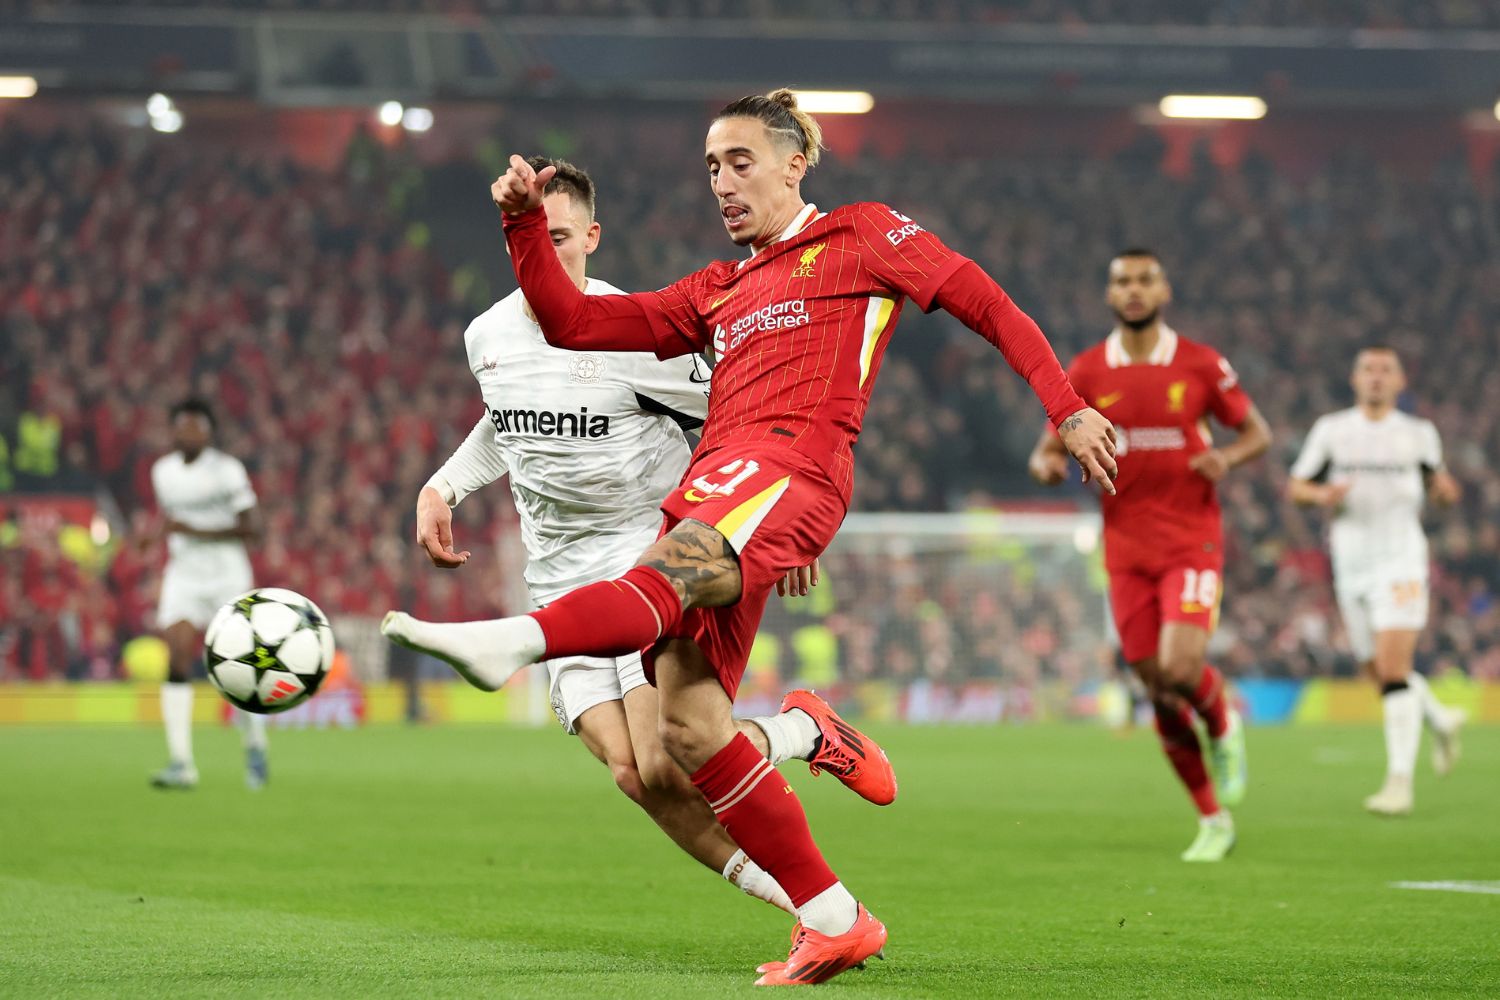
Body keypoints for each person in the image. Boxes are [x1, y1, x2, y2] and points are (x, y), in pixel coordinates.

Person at [383, 88, 1114, 986]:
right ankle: (833, 908)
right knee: (687, 733)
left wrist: (1067, 407)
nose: (722, 184)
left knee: (664, 580)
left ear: (794, 163)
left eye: (739, 163)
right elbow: (573, 324)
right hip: (718, 486)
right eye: (710, 168)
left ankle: (509, 643)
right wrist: (526, 228)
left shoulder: (861, 235)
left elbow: (985, 302)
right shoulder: (717, 288)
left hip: (789, 468)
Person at [400, 156, 892, 919]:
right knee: (634, 776)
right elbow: (509, 422)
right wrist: (445, 485)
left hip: (647, 559)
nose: (548, 251)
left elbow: (742, 418)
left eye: (562, 235)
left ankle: (802, 742)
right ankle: (808, 902)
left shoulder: (628, 334)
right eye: (534, 235)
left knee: (671, 759)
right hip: (556, 573)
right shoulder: (486, 335)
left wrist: (772, 527)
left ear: (592, 238)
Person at [1029, 249, 1270, 862]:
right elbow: (1048, 449)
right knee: (1158, 688)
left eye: (1143, 280)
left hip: (1192, 539)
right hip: (1126, 549)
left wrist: (1227, 459)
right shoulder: (1085, 369)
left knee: (1181, 666)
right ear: (1110, 295)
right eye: (1122, 282)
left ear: (1163, 289)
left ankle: (1222, 724)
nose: (1133, 291)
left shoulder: (1200, 363)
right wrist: (1049, 466)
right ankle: (1212, 818)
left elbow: (1257, 434)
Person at [1288, 346, 1465, 816]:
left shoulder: (1418, 434)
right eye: (1368, 369)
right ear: (1354, 378)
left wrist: (1446, 494)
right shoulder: (1333, 430)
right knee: (1377, 674)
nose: (1377, 377)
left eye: (1387, 370)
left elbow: (1439, 487)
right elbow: (1296, 487)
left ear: (1400, 382)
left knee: (1391, 668)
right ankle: (1440, 719)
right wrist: (1323, 493)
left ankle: (1399, 784)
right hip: (1351, 565)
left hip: (1401, 560)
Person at [146, 398, 268, 790]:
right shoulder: (161, 472)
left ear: (209, 431)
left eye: (195, 426)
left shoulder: (227, 470)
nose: (187, 433)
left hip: (227, 576)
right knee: (177, 656)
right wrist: (156, 535)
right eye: (180, 426)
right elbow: (171, 520)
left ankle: (254, 743)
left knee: (236, 666)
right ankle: (182, 763)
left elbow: (253, 528)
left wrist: (193, 531)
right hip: (184, 576)